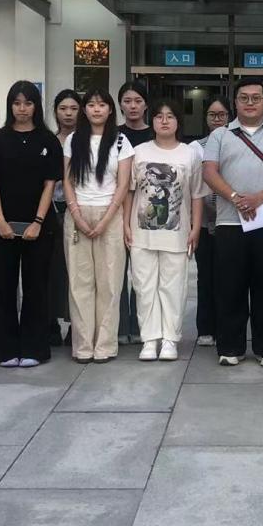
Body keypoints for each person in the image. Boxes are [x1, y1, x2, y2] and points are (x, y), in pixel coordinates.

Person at [202, 77, 263, 368]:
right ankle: (230, 346)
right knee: (230, 285)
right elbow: (209, 172)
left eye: (256, 97)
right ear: (236, 102)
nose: (250, 102)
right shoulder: (220, 136)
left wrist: (259, 198)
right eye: (244, 97)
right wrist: (234, 197)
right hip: (230, 223)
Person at [0, 80, 64, 367]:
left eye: (28, 103)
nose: (22, 109)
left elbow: (50, 184)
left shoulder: (48, 140)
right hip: (0, 228)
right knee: (3, 288)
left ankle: (34, 348)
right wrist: (0, 221)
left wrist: (38, 221)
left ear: (36, 106)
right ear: (10, 106)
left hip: (39, 227)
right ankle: (5, 350)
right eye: (17, 103)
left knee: (36, 288)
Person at [126, 100, 204, 362]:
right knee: (144, 287)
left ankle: (170, 339)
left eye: (170, 116)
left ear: (178, 121)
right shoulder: (139, 152)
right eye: (159, 116)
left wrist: (195, 227)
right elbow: (130, 192)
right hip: (141, 233)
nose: (164, 121)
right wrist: (125, 224)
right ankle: (149, 339)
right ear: (152, 120)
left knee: (173, 287)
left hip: (177, 233)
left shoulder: (189, 154)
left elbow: (197, 194)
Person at [64, 88, 134, 363]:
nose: (96, 109)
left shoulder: (121, 141)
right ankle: (83, 346)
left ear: (110, 109)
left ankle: (104, 346)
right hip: (78, 213)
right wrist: (77, 214)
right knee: (79, 283)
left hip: (111, 214)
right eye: (91, 105)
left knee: (110, 283)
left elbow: (123, 185)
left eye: (102, 105)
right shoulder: (73, 140)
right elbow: (67, 180)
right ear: (84, 109)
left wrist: (106, 219)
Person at [117, 80, 153, 345]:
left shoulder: (155, 135)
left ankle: (140, 325)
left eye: (138, 101)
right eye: (127, 101)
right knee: (118, 272)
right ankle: (119, 327)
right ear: (119, 105)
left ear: (146, 105)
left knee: (141, 273)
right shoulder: (113, 135)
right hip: (115, 210)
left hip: (146, 212)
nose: (132, 106)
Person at [193, 96, 230, 348]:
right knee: (205, 276)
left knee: (230, 277)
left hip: (232, 220)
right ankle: (205, 328)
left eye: (221, 114)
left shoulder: (238, 143)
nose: (217, 119)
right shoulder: (195, 148)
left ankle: (227, 327)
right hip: (205, 223)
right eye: (212, 114)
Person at [49, 88, 81, 346]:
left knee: (76, 271)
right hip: (49, 209)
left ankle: (74, 325)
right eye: (63, 109)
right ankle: (50, 321)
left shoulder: (87, 141)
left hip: (80, 211)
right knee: (51, 270)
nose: (68, 114)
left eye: (73, 108)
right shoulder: (48, 140)